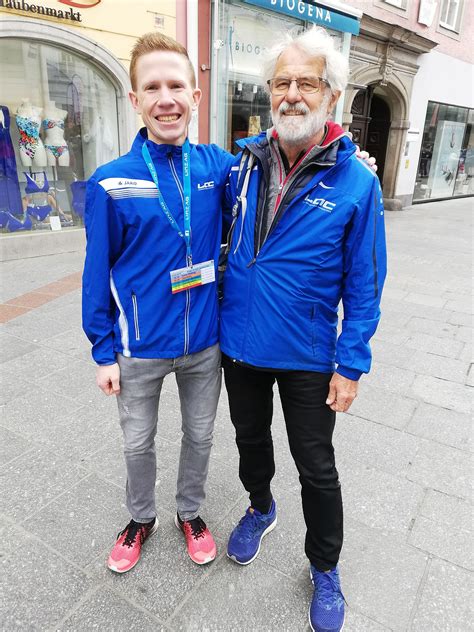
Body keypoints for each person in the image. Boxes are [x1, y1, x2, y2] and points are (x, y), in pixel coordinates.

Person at [220, 27, 387, 632]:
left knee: (316, 466)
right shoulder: (241, 162)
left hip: (308, 353)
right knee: (248, 441)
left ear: (331, 95)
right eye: (282, 82)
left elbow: (365, 285)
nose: (292, 94)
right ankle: (260, 506)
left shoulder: (358, 183)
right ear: (269, 92)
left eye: (306, 83)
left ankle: (324, 566)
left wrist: (351, 363)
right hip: (239, 344)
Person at [82, 32, 235, 573]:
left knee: (200, 433)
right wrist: (103, 351)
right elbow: (95, 274)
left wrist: (338, 156)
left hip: (204, 344)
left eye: (177, 85)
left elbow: (277, 172)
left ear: (196, 96)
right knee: (137, 442)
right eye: (153, 87)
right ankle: (140, 517)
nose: (165, 97)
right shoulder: (110, 183)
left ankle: (189, 511)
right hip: (140, 346)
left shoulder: (219, 167)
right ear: (135, 100)